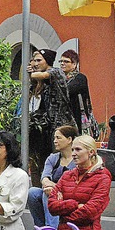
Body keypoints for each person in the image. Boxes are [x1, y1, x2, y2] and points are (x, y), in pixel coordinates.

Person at [27, 49, 76, 182]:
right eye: (34, 60)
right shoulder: (38, 84)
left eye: (38, 60)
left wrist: (31, 73)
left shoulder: (56, 72)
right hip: (43, 129)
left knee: (58, 161)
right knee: (37, 162)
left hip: (60, 126)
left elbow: (40, 76)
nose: (35, 63)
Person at [27, 125, 77, 228]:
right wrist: (53, 187)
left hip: (70, 194)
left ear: (69, 139)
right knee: (33, 192)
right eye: (54, 138)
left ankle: (51, 229)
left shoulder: (77, 160)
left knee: (50, 192)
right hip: (53, 193)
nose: (55, 141)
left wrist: (55, 188)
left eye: (58, 138)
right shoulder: (52, 158)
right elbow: (44, 179)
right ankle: (41, 228)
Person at [59, 49, 94, 137]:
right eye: (61, 61)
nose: (62, 63)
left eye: (66, 61)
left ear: (74, 64)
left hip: (76, 119)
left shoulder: (80, 78)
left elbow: (68, 90)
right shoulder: (60, 79)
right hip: (62, 120)